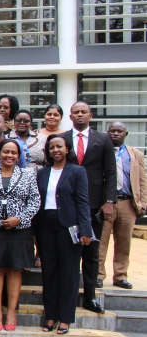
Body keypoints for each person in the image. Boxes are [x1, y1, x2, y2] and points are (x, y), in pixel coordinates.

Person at [61, 101, 116, 313]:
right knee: (69, 251)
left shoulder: (103, 139)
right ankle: (69, 295)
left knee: (92, 253)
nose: (80, 115)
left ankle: (90, 296)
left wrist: (109, 201)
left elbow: (110, 172)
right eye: (76, 112)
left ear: (90, 115)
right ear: (71, 116)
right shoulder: (63, 139)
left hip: (94, 204)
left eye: (84, 112)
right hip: (68, 203)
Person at [35, 135, 93, 335]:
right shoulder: (42, 173)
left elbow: (83, 202)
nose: (55, 150)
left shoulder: (77, 171)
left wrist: (86, 230)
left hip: (69, 226)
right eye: (51, 147)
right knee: (49, 273)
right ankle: (50, 316)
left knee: (68, 274)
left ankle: (66, 318)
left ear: (67, 148)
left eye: (59, 146)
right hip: (45, 226)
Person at [0, 139, 40, 331]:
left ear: (19, 156)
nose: (10, 155)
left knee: (15, 269)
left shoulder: (28, 175)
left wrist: (19, 219)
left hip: (19, 230)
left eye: (14, 153)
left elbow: (34, 201)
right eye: (6, 152)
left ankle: (12, 312)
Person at [99, 122, 146, 289]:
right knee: (101, 241)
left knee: (124, 242)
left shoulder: (136, 155)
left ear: (126, 134)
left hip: (127, 203)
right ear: (107, 133)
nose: (116, 134)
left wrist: (143, 204)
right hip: (105, 204)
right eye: (112, 131)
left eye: (120, 131)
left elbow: (142, 180)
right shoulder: (101, 152)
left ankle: (120, 276)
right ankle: (98, 275)